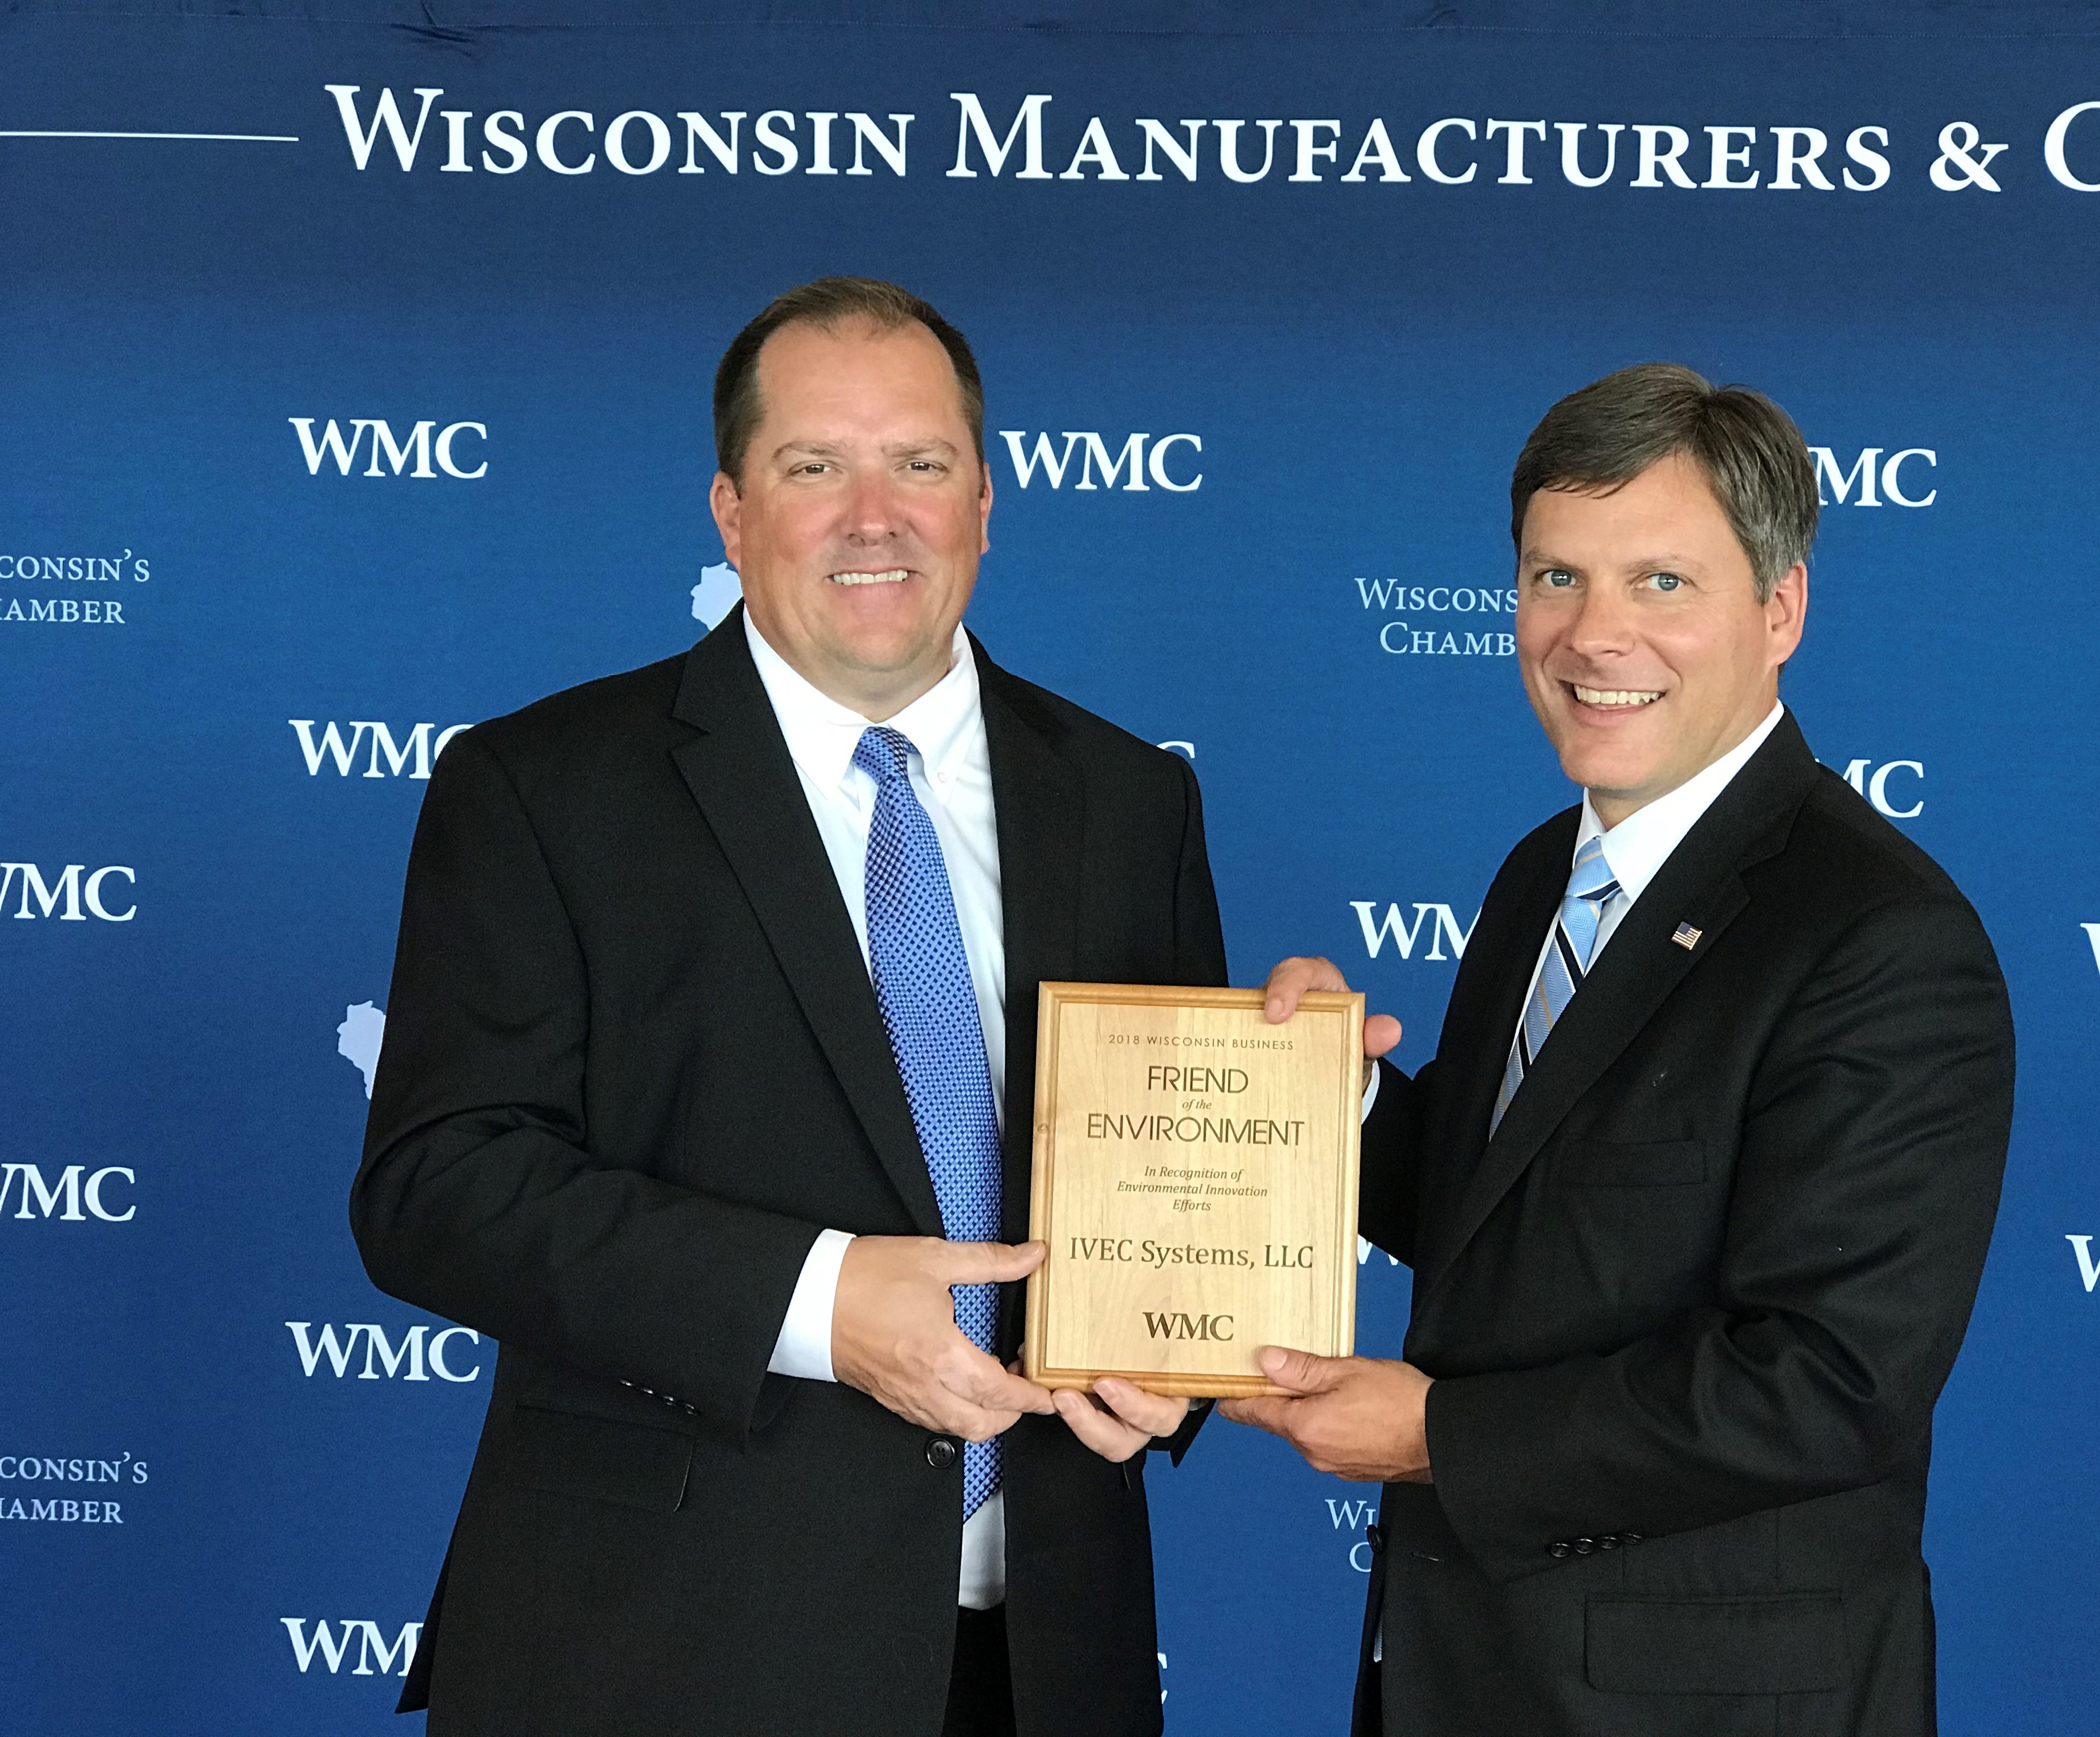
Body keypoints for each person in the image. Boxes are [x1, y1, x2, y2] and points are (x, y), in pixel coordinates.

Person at [350, 277, 1224, 1737]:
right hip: (663, 1649)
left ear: (987, 501)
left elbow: (1165, 1184)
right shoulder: (541, 789)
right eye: (815, 466)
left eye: (920, 465)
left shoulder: (1132, 798)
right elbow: (438, 1188)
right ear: (731, 511)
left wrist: (1179, 1347)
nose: (873, 516)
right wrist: (819, 1301)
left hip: (1047, 1652)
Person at [1239, 364, 2013, 1735]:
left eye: (1662, 582)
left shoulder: (1879, 936)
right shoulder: (1546, 870)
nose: (1596, 636)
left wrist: (1434, 1438)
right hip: (1465, 1674)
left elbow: (1829, 1385)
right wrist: (1329, 1099)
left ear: (1780, 610)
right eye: (1556, 580)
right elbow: (1527, 1231)